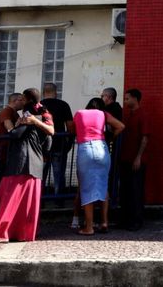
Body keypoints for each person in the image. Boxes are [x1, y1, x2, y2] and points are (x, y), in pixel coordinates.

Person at [0, 88, 55, 243]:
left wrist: (17, 125)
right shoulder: (45, 115)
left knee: (11, 196)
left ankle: (1, 232)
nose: (21, 102)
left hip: (20, 160)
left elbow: (15, 134)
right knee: (29, 201)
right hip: (36, 162)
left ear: (28, 100)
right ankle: (23, 233)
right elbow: (49, 140)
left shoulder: (27, 116)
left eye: (23, 99)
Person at [73, 97, 124, 236]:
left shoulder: (79, 113)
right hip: (102, 148)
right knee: (103, 185)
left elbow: (73, 130)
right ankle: (104, 222)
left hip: (86, 150)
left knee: (86, 187)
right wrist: (111, 137)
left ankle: (88, 227)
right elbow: (121, 126)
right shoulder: (103, 114)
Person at [119, 88, 149, 231]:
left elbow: (145, 137)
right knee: (125, 190)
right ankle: (125, 220)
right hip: (126, 158)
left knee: (136, 191)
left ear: (135, 99)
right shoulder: (129, 115)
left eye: (127, 98)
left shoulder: (142, 115)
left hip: (136, 159)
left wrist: (138, 157)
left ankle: (136, 221)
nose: (125, 101)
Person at [41, 82, 74, 199]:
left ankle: (39, 202)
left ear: (43, 92)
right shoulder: (63, 105)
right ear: (56, 93)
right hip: (59, 144)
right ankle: (59, 201)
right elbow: (70, 127)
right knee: (59, 175)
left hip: (40, 147)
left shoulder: (37, 106)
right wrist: (69, 143)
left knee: (40, 176)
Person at [0, 92, 24, 180]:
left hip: (9, 150)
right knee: (5, 175)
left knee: (8, 175)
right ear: (14, 101)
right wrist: (17, 126)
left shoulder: (14, 113)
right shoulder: (6, 111)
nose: (23, 102)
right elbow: (10, 129)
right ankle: (1, 193)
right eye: (21, 100)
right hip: (4, 150)